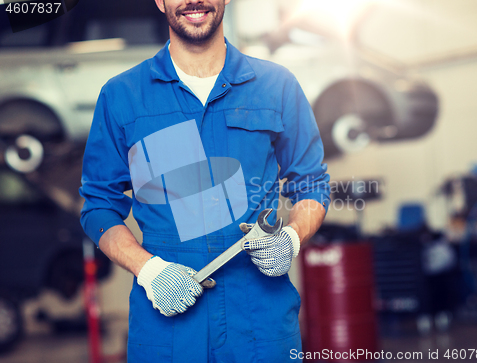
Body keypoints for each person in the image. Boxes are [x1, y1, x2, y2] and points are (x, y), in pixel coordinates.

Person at [79, 0, 331, 361]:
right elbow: (99, 206)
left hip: (261, 322)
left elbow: (311, 183)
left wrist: (291, 237)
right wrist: (148, 270)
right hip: (168, 328)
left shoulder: (277, 86)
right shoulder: (123, 95)